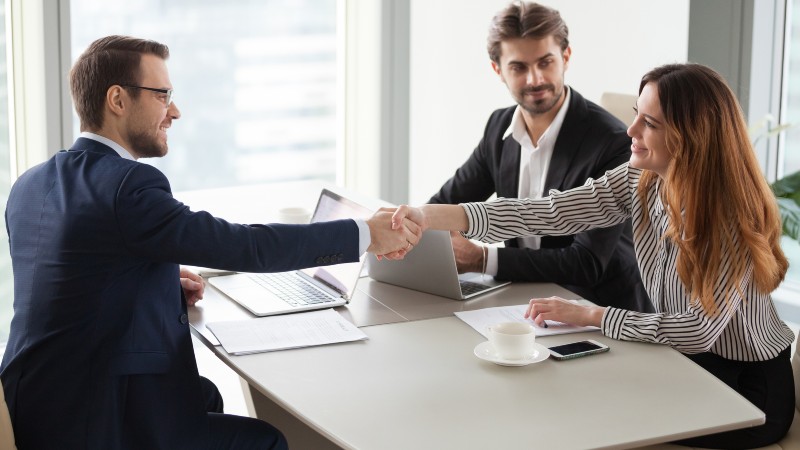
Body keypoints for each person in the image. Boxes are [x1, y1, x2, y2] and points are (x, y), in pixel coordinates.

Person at [1, 35, 420, 450]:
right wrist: (363, 233)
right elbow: (242, 246)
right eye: (163, 95)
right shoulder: (128, 185)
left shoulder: (31, 183)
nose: (175, 111)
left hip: (35, 400)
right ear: (117, 100)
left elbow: (69, 282)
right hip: (97, 420)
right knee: (267, 441)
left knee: (205, 397)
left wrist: (154, 283)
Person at [392, 63, 795, 448]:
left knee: (578, 415)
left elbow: (698, 331)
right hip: (684, 366)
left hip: (746, 389)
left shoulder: (726, 218)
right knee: (557, 401)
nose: (631, 129)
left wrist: (592, 315)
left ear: (692, 136)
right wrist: (426, 217)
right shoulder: (642, 179)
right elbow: (548, 211)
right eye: (637, 114)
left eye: (649, 124)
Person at [428, 1, 651, 313]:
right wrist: (411, 224)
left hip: (599, 312)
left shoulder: (613, 142)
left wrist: (481, 258)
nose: (535, 79)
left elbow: (586, 263)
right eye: (519, 67)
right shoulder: (499, 127)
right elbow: (446, 205)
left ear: (566, 57)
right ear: (498, 70)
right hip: (522, 304)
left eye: (545, 62)